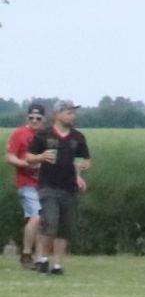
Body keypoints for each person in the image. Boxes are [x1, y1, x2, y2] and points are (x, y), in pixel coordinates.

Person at [29, 99, 87, 275]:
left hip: (69, 188)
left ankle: (57, 265)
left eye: (73, 112)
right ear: (58, 114)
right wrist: (40, 157)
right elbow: (28, 157)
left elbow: (84, 159)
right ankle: (44, 259)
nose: (72, 116)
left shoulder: (77, 137)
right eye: (69, 112)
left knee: (64, 228)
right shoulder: (43, 135)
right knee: (50, 223)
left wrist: (79, 174)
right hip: (48, 186)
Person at [10, 101, 43, 269]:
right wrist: (25, 164)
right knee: (36, 216)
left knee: (39, 220)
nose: (35, 120)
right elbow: (9, 156)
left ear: (43, 119)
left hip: (44, 183)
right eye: (32, 117)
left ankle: (38, 258)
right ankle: (26, 253)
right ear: (27, 117)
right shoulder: (19, 134)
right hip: (26, 182)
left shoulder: (47, 136)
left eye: (38, 118)